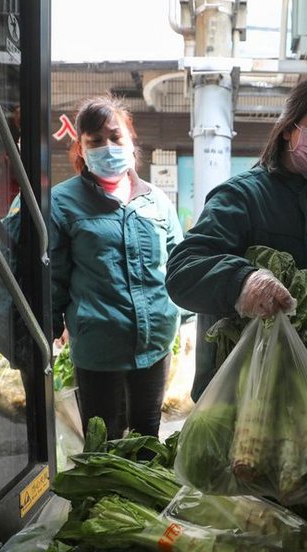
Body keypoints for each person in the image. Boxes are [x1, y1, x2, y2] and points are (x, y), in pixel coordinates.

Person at [165, 76, 307, 401]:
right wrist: (242, 281)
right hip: (237, 396)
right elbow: (182, 272)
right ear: (289, 127)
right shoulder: (241, 196)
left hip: (301, 394)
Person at [49, 95, 183, 440]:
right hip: (98, 348)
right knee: (102, 440)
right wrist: (50, 325)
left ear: (131, 139)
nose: (107, 147)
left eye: (115, 137)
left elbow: (178, 263)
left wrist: (187, 319)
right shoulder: (62, 202)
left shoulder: (157, 200)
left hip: (155, 344)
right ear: (81, 147)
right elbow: (54, 276)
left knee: (147, 436)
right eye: (95, 141)